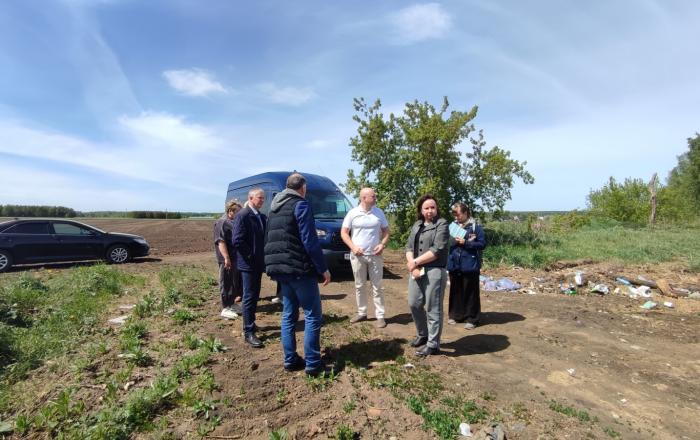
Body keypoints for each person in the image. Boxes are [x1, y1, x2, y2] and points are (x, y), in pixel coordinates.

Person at [264, 172, 331, 376]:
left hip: (280, 269)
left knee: (289, 315)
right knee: (313, 316)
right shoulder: (300, 205)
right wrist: (323, 268)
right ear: (302, 188)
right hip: (299, 269)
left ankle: (290, 359)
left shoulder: (274, 208)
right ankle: (312, 363)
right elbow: (309, 241)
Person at [405, 194, 449, 356]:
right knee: (414, 303)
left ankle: (433, 344)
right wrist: (412, 265)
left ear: (437, 209)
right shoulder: (417, 225)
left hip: (434, 270)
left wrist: (415, 262)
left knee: (433, 307)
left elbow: (437, 250)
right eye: (426, 208)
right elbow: (408, 247)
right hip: (416, 270)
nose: (430, 210)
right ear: (421, 210)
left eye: (433, 207)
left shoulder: (442, 224)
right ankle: (423, 334)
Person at [341, 187, 390, 328]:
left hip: (375, 255)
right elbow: (344, 233)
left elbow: (386, 231)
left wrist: (382, 244)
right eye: (373, 196)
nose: (375, 198)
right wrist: (353, 247)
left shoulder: (378, 212)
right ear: (364, 198)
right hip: (358, 256)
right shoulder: (352, 213)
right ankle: (362, 313)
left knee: (377, 286)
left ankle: (380, 315)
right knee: (359, 285)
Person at [232, 188, 267, 348]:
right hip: (248, 265)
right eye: (260, 198)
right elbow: (237, 240)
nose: (262, 200)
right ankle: (248, 332)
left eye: (263, 198)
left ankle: (251, 323)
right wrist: (251, 256)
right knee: (248, 297)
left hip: (257, 264)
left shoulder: (259, 216)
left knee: (254, 297)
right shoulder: (243, 215)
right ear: (251, 198)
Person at [447, 203, 486, 329]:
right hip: (455, 264)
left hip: (470, 265)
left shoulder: (476, 227)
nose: (456, 217)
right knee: (455, 290)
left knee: (471, 292)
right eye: (454, 214)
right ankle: (456, 315)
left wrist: (466, 243)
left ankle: (472, 318)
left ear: (465, 213)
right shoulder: (452, 226)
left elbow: (482, 244)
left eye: (457, 214)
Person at [214, 199, 243, 319]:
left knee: (233, 281)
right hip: (226, 259)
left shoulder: (231, 221)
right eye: (238, 212)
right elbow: (221, 241)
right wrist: (226, 258)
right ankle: (225, 307)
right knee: (226, 281)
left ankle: (232, 303)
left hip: (234, 257)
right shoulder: (222, 222)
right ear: (230, 211)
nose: (239, 214)